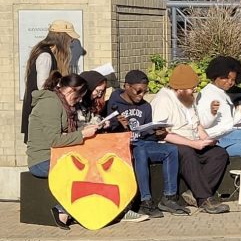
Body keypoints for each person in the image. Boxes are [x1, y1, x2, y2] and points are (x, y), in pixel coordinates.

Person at [106, 70, 190, 218]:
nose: (141, 95)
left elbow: (147, 135)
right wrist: (119, 126)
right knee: (140, 151)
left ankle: (169, 197)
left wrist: (156, 134)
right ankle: (146, 201)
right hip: (123, 147)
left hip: (142, 143)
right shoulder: (113, 103)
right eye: (138, 91)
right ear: (126, 86)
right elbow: (108, 132)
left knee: (171, 150)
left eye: (145, 91)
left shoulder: (146, 106)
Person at [151, 64, 230, 214]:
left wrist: (207, 138)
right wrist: (193, 143)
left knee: (219, 154)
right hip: (172, 143)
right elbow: (161, 133)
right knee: (187, 153)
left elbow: (197, 124)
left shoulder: (187, 98)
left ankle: (193, 193)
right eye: (191, 87)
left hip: (193, 140)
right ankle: (205, 198)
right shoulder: (163, 100)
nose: (194, 90)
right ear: (179, 89)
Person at [25, 72, 101, 229]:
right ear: (71, 90)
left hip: (56, 156)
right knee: (81, 172)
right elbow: (55, 140)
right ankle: (62, 209)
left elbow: (63, 133)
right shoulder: (50, 104)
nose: (80, 100)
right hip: (42, 160)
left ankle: (79, 210)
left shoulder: (60, 104)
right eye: (79, 96)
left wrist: (85, 129)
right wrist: (82, 134)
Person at [22, 20, 79, 143]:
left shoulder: (47, 53)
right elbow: (43, 86)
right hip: (42, 110)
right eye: (70, 38)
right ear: (61, 37)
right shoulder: (45, 56)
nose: (71, 42)